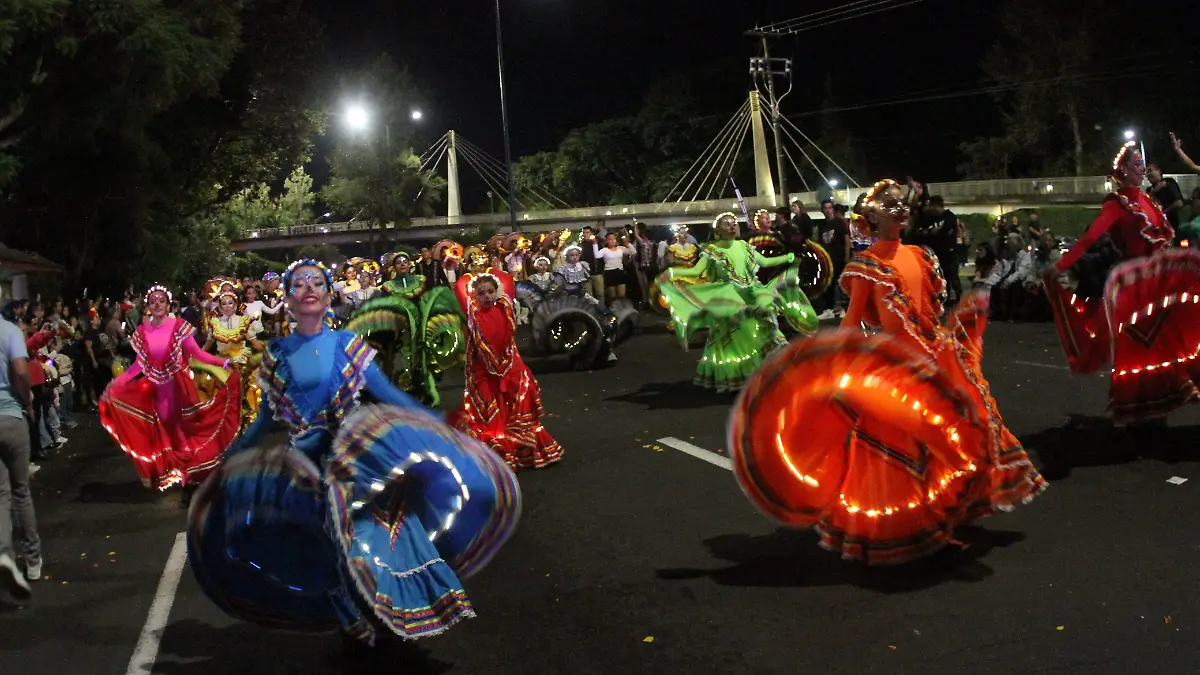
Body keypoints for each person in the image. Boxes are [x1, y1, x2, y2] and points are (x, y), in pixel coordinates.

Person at [187, 259, 522, 655]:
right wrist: (231, 457)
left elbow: (386, 393)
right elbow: (263, 423)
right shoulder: (277, 356)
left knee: (372, 538)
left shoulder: (347, 344)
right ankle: (353, 619)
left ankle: (381, 618)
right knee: (328, 545)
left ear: (329, 295)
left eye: (317, 282)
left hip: (358, 457)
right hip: (309, 466)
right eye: (298, 284)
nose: (308, 287)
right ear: (288, 299)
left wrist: (437, 421)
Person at [729, 179, 1045, 565]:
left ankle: (948, 506)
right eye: (891, 205)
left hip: (931, 356)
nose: (901, 209)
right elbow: (852, 321)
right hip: (894, 367)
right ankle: (907, 519)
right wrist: (836, 363)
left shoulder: (920, 254)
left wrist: (948, 338)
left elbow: (931, 310)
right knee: (902, 442)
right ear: (872, 217)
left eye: (903, 204)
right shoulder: (866, 266)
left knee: (958, 428)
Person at [1043, 142, 1200, 424]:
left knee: (1177, 340)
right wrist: (1063, 264)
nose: (1142, 169)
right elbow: (1092, 236)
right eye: (1137, 165)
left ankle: (1163, 405)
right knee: (1145, 352)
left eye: (1143, 164)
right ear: (1124, 171)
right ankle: (1144, 415)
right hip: (1135, 287)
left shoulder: (1149, 201)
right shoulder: (1117, 205)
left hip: (1163, 280)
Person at [99, 285, 240, 502]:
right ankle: (188, 477)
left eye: (161, 301)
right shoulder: (143, 332)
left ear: (168, 305)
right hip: (156, 392)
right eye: (153, 301)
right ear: (147, 307)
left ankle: (190, 482)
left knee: (184, 435)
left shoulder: (179, 327)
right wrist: (117, 383)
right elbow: (138, 366)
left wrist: (225, 362)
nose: (157, 304)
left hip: (180, 390)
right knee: (170, 437)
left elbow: (197, 353)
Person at [658, 212, 817, 392]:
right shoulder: (713, 250)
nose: (732, 226)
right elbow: (695, 272)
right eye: (727, 224)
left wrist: (788, 258)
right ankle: (749, 378)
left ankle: (767, 375)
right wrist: (671, 273)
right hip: (730, 301)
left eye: (734, 223)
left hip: (752, 295)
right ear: (718, 230)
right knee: (741, 340)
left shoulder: (743, 246)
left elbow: (764, 262)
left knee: (765, 331)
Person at [449, 269, 564, 470]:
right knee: (490, 413)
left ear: (497, 292)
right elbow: (460, 285)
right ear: (473, 296)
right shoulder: (472, 314)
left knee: (517, 404)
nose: (487, 296)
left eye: (491, 291)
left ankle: (520, 446)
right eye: (481, 293)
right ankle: (496, 448)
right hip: (484, 371)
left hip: (511, 366)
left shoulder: (505, 308)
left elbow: (506, 279)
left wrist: (490, 271)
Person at [346, 248, 467, 406]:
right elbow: (386, 308)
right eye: (398, 263)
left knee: (423, 358)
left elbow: (429, 298)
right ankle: (404, 393)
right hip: (400, 330)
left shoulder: (421, 280)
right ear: (394, 267)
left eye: (405, 262)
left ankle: (425, 390)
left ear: (409, 264)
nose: (402, 265)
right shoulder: (387, 287)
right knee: (402, 361)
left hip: (421, 326)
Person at [0, 313, 39, 601]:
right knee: (21, 491)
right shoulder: (10, 331)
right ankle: (33, 560)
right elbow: (20, 370)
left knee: (0, 494)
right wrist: (26, 399)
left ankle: (4, 553)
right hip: (11, 416)